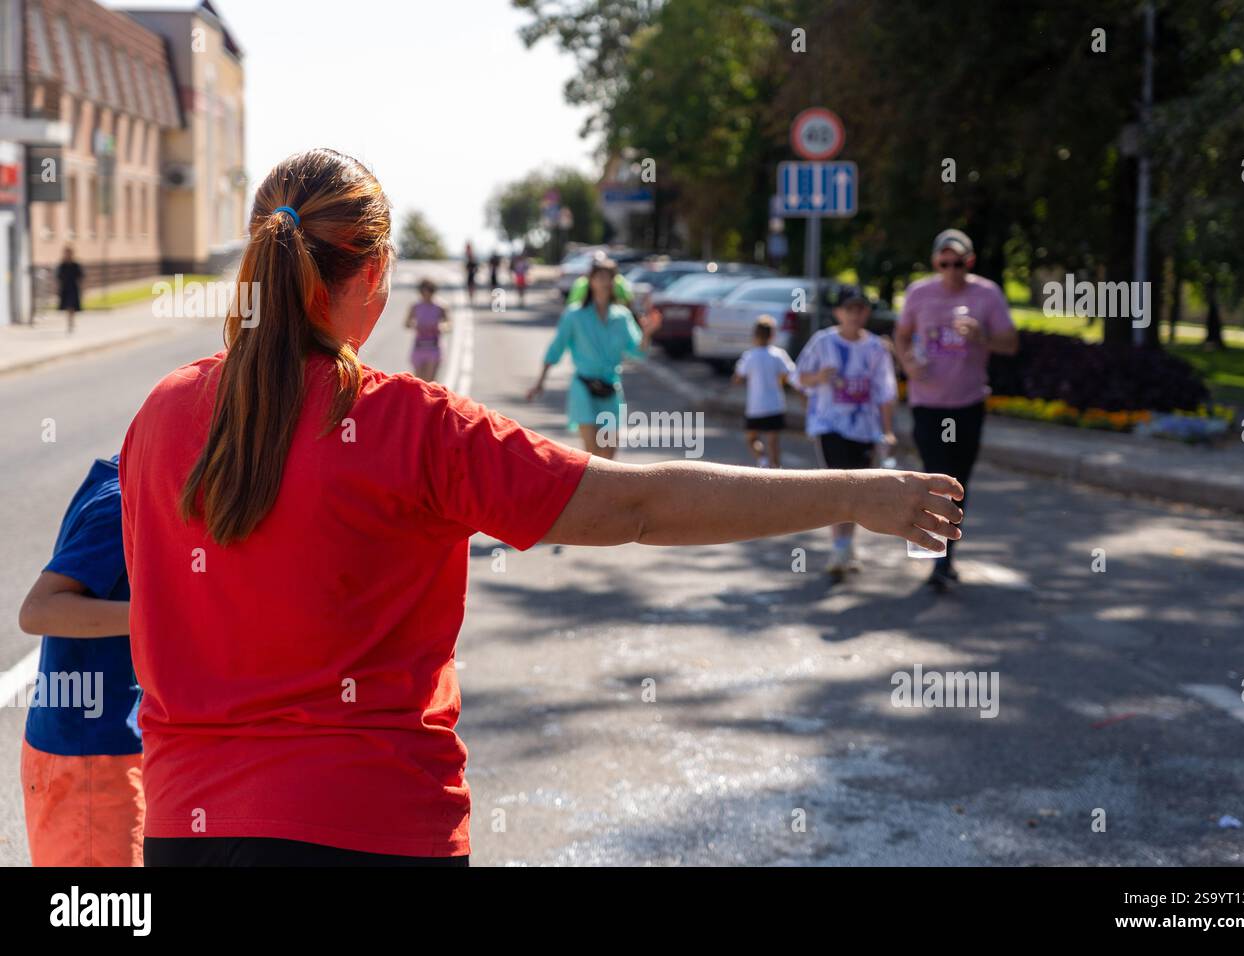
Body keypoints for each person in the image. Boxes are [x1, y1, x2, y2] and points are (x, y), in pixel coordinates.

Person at [119, 149, 963, 867]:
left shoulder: (161, 413)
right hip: (370, 825)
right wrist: (857, 492)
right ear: (375, 272)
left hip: (183, 828)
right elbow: (638, 505)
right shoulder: (413, 426)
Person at [16, 454, 143, 866]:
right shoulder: (120, 500)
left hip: (107, 746)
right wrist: (162, 616)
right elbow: (39, 610)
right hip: (89, 758)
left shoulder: (132, 476)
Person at [895, 229, 1018, 592]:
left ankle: (945, 556)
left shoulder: (987, 294)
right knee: (935, 479)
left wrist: (982, 337)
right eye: (945, 263)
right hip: (928, 404)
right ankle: (937, 560)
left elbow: (1011, 344)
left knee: (959, 483)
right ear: (936, 263)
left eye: (958, 263)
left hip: (967, 404)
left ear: (970, 261)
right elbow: (901, 335)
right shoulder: (919, 293)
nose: (951, 270)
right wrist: (908, 364)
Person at [797, 287, 899, 578]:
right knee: (838, 486)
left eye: (860, 309)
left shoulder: (876, 348)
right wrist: (819, 378)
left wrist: (888, 431)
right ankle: (838, 548)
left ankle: (846, 545)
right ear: (838, 312)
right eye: (849, 309)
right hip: (830, 426)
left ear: (866, 313)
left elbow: (886, 392)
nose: (855, 315)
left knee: (858, 490)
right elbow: (798, 377)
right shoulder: (823, 342)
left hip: (865, 429)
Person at [526, 254, 661, 458]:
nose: (604, 282)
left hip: (610, 389)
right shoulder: (574, 315)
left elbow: (638, 352)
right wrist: (539, 383)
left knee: (609, 456)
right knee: (593, 456)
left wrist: (648, 333)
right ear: (590, 280)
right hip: (583, 390)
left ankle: (602, 491)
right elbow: (555, 350)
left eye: (609, 277)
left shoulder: (622, 316)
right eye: (600, 277)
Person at [732, 315, 797, 468]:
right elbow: (789, 375)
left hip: (756, 406)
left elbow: (738, 378)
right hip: (775, 404)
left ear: (754, 335)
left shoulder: (750, 356)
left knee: (751, 438)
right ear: (772, 335)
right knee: (773, 441)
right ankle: (777, 471)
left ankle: (762, 460)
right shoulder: (778, 355)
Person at [405, 278, 447, 381]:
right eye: (423, 292)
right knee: (419, 381)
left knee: (430, 380)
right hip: (419, 347)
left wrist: (441, 326)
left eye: (428, 292)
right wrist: (414, 325)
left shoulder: (440, 307)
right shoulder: (415, 307)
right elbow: (407, 323)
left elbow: (448, 323)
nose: (426, 295)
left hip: (434, 347)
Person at [56, 246, 83, 334]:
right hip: (65, 288)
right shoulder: (62, 264)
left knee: (72, 306)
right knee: (67, 306)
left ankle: (71, 322)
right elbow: (58, 276)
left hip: (73, 288)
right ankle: (70, 321)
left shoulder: (75, 264)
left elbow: (80, 276)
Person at [463, 242, 478, 306]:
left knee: (471, 286)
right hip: (469, 274)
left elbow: (475, 266)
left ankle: (471, 299)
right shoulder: (467, 255)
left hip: (472, 274)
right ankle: (470, 299)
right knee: (469, 286)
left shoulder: (472, 256)